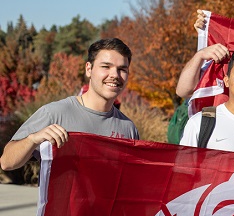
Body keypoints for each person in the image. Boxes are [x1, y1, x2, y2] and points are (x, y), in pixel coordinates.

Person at [0, 38, 138, 171]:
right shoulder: (54, 113)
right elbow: (6, 162)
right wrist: (33, 139)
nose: (115, 75)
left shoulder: (128, 128)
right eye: (106, 66)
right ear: (89, 69)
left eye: (122, 69)